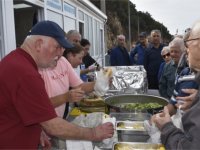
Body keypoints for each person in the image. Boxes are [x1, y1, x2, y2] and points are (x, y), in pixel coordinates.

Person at [0, 20, 114, 149]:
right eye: (57, 47)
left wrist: (37, 129)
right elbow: (53, 126)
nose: (60, 53)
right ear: (38, 44)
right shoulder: (26, 73)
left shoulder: (15, 60)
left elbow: (18, 110)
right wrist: (94, 133)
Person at [153, 20, 200, 149]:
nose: (187, 49)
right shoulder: (184, 74)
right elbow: (174, 103)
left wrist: (166, 127)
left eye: (188, 43)